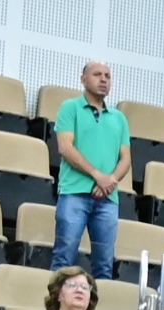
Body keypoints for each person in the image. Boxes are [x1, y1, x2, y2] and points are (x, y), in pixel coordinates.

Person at [48, 59, 132, 274]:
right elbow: (65, 148)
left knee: (104, 266)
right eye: (97, 75)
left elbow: (126, 159)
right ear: (83, 79)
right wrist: (98, 176)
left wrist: (110, 181)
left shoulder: (119, 118)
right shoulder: (70, 107)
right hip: (74, 193)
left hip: (108, 198)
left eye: (107, 76)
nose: (103, 79)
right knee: (64, 258)